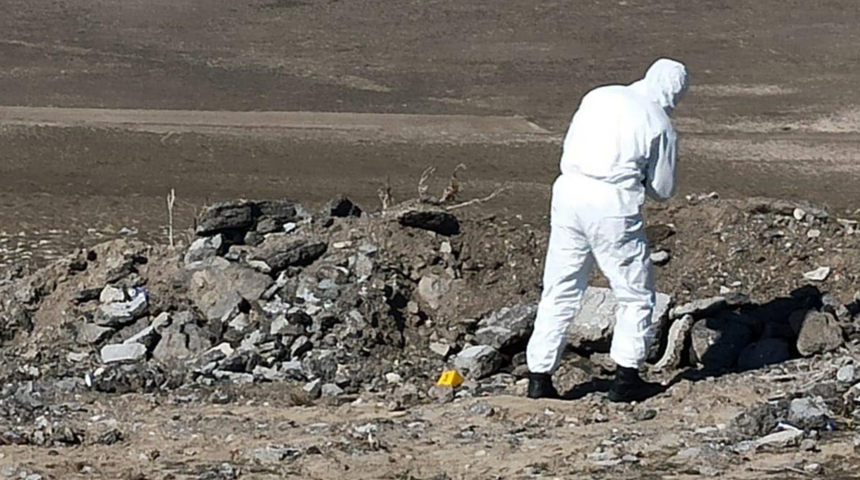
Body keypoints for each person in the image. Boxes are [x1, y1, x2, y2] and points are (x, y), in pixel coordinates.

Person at [525, 58, 689, 403]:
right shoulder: (659, 122)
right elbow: (662, 188)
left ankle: (539, 376)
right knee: (634, 294)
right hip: (613, 204)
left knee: (561, 285)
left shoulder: (599, 95)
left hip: (569, 192)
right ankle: (626, 378)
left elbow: (571, 142)